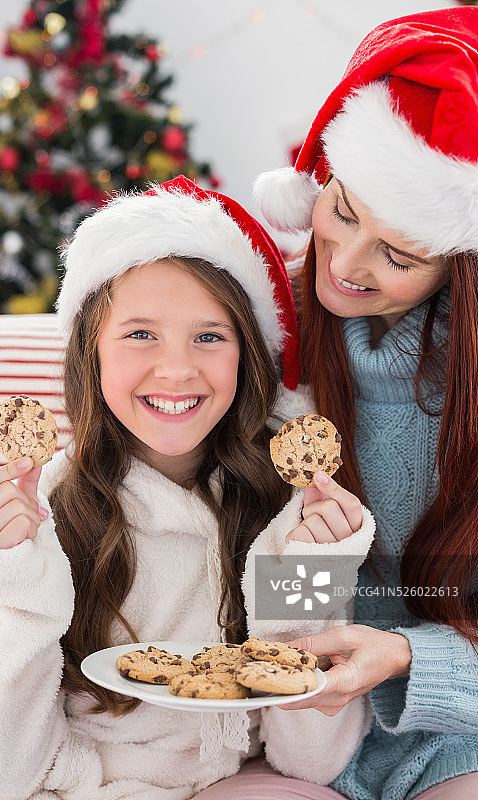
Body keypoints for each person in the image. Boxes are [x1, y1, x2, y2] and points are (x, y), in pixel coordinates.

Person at [0, 176, 376, 800]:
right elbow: (1, 774)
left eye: (208, 336)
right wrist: (9, 583)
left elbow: (316, 761)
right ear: (90, 355)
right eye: (140, 333)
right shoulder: (43, 511)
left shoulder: (290, 511)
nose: (176, 369)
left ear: (245, 357)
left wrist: (306, 578)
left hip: (227, 783)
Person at [198, 6, 478, 800]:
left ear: (456, 265)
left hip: (452, 730)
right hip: (297, 729)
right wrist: (305, 573)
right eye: (342, 211)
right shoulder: (254, 327)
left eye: (396, 252)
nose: (343, 263)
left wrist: (405, 657)